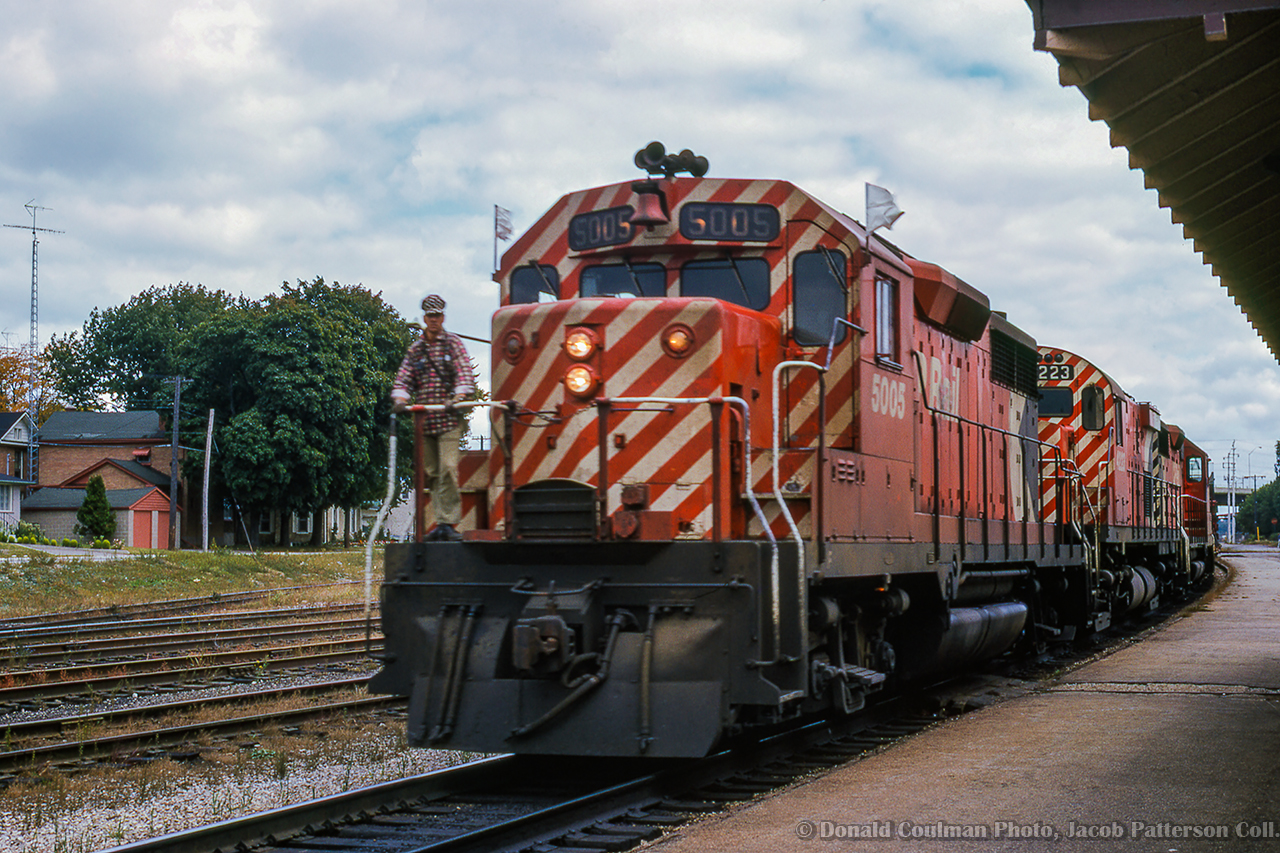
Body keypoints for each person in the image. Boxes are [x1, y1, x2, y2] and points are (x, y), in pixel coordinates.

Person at [390, 294, 477, 542]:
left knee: (449, 467)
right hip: (425, 422)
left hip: (448, 421)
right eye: (430, 316)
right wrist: (400, 399)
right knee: (432, 471)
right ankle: (440, 524)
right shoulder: (416, 350)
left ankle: (448, 522)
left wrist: (457, 397)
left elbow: (464, 373)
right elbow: (404, 376)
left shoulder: (453, 344)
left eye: (438, 315)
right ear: (425, 318)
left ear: (443, 317)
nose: (434, 320)